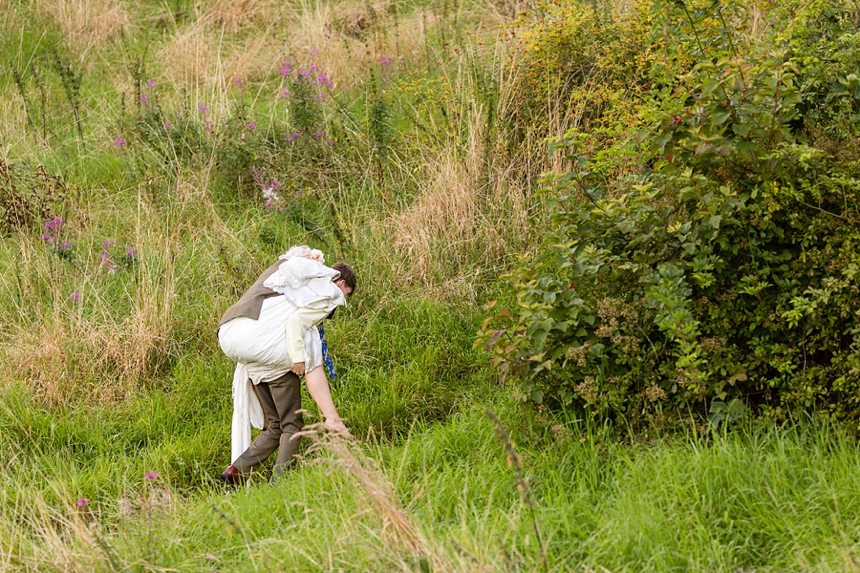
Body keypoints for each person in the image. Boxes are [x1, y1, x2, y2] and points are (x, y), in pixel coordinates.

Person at [217, 246, 355, 485]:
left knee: (274, 427)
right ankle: (279, 482)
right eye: (346, 294)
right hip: (268, 352)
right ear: (341, 282)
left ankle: (235, 471)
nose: (340, 302)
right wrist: (298, 359)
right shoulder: (328, 289)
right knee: (292, 424)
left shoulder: (294, 277)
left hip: (237, 339)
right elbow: (296, 324)